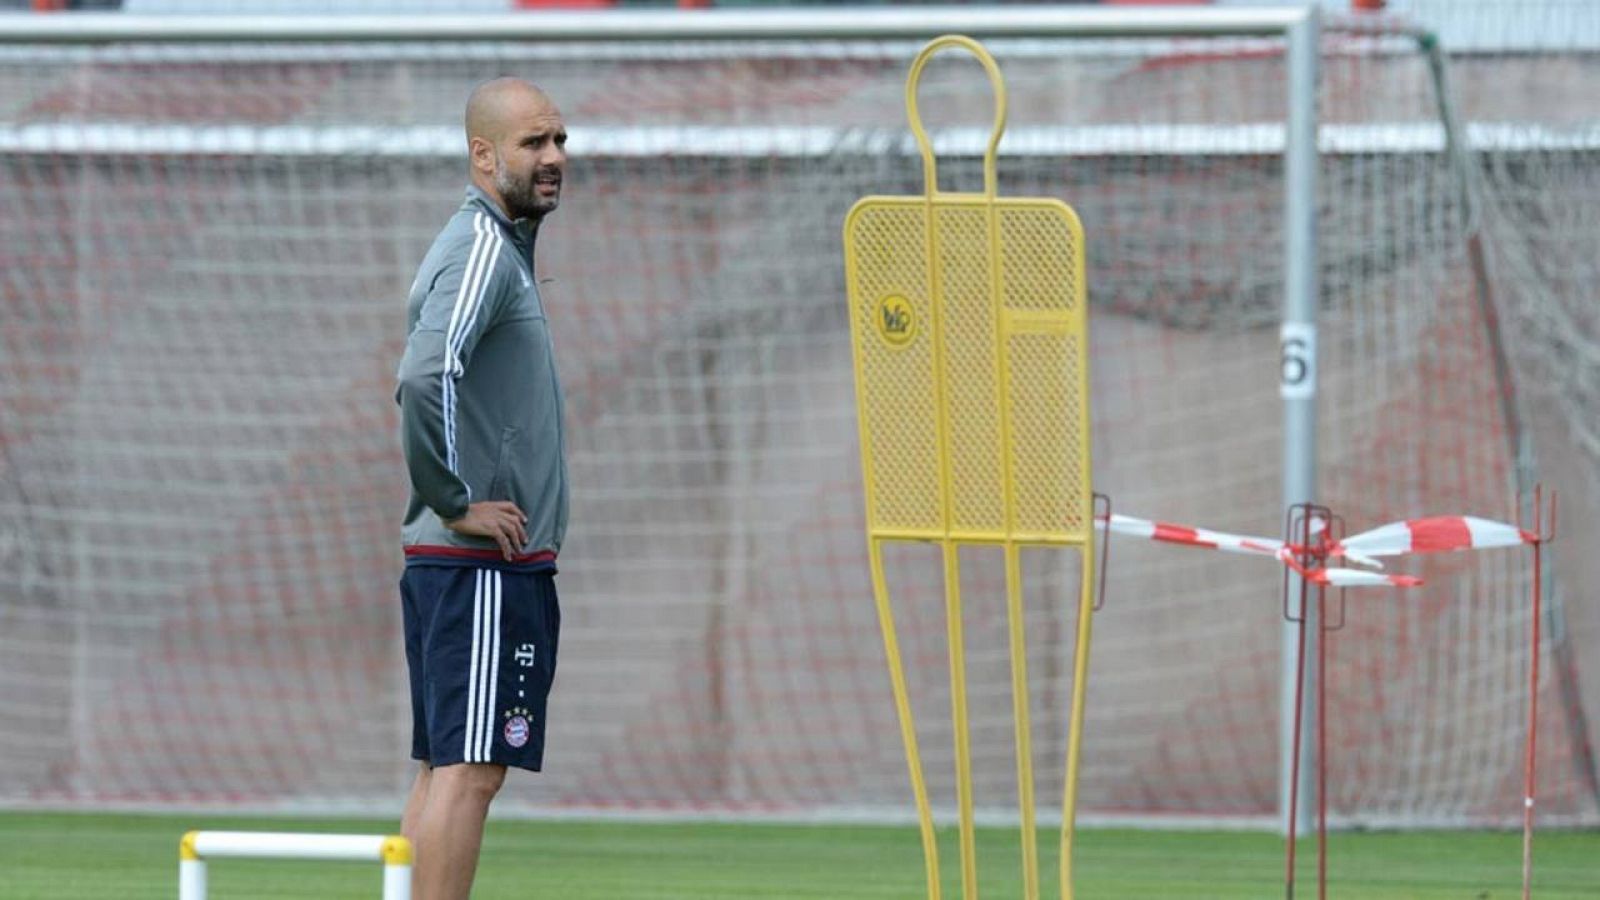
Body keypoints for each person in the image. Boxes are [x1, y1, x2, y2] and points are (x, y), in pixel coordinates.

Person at [394, 77, 568, 900]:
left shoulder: (499, 249)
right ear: (483, 153)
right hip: (478, 565)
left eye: (560, 140)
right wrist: (455, 498)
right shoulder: (483, 249)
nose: (556, 158)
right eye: (535, 143)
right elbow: (426, 374)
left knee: (446, 769)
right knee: (470, 773)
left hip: (467, 568)